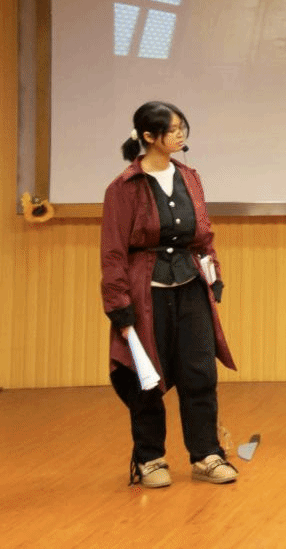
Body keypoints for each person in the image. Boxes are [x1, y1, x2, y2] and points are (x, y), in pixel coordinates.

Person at [101, 101, 238, 488]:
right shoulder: (123, 187)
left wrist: (213, 273)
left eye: (182, 128)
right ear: (148, 136)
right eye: (173, 129)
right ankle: (150, 459)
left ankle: (206, 455)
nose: (180, 135)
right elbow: (113, 252)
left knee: (200, 372)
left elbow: (204, 234)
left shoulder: (190, 177)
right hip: (146, 293)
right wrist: (118, 306)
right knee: (146, 378)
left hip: (191, 288)